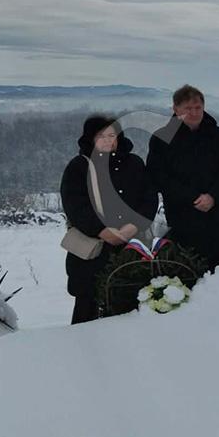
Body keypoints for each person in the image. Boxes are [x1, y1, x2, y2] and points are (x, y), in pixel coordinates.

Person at [60, 115, 158, 324]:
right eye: (101, 136)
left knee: (131, 305)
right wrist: (101, 230)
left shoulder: (134, 163)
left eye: (111, 135)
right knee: (87, 309)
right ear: (90, 139)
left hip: (131, 248)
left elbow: (148, 198)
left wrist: (135, 225)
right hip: (93, 252)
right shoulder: (78, 167)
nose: (107, 140)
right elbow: (75, 205)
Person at [146, 85, 219, 270]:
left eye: (198, 108)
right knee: (186, 271)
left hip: (216, 215)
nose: (194, 113)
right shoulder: (162, 138)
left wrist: (212, 196)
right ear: (175, 109)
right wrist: (191, 197)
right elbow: (158, 176)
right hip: (182, 215)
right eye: (188, 108)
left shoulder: (217, 135)